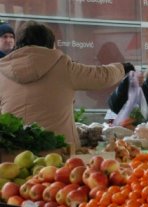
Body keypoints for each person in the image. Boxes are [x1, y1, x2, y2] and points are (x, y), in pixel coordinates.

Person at [0, 21, 129, 148]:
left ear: (18, 43)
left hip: (13, 152)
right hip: (58, 151)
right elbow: (100, 76)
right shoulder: (63, 66)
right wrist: (122, 68)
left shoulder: (3, 71)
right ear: (50, 43)